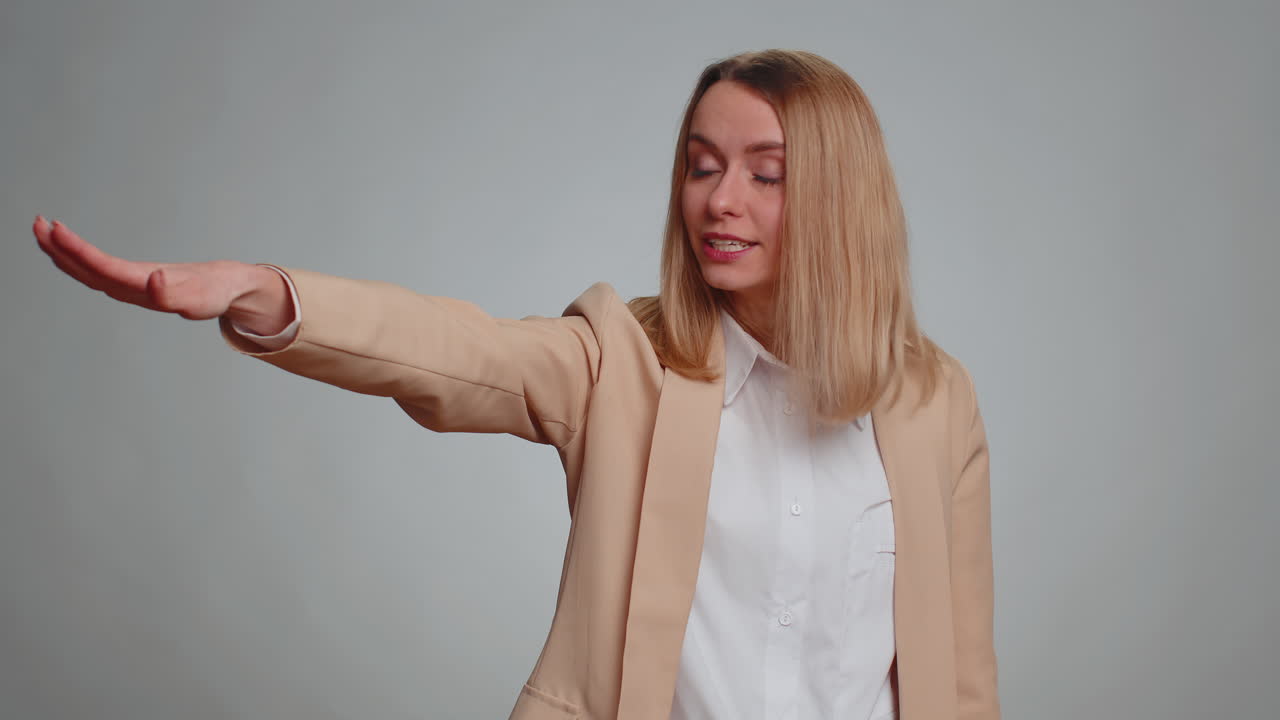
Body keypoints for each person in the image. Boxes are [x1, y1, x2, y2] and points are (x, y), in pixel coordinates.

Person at [33, 49, 999, 720]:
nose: (720, 200)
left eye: (766, 174)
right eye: (702, 167)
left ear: (840, 193)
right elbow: (464, 352)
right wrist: (270, 295)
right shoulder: (624, 362)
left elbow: (958, 675)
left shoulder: (931, 401)